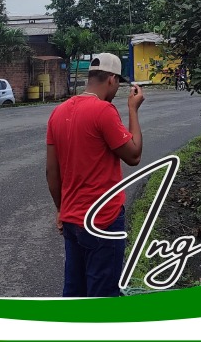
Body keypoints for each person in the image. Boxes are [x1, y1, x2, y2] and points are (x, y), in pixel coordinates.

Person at [46, 52, 145, 297]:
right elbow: (133, 155)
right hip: (103, 221)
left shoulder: (58, 112)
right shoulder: (103, 111)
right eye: (118, 83)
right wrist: (133, 109)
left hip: (72, 220)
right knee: (103, 295)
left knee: (74, 292)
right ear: (111, 79)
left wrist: (61, 209)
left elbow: (51, 172)